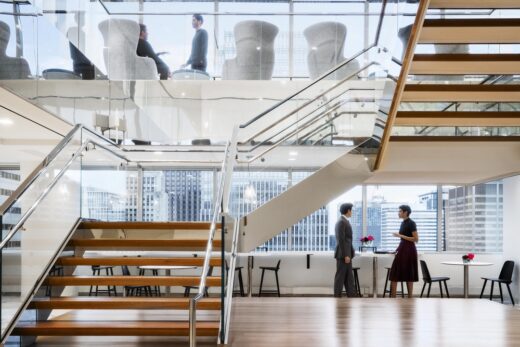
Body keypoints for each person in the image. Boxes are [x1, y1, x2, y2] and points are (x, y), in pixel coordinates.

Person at [389, 205, 419, 298]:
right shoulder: (403, 223)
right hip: (402, 249)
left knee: (409, 274)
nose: (398, 213)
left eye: (400, 211)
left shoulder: (411, 223)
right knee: (394, 274)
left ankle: (410, 297)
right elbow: (402, 240)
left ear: (405, 212)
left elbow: (416, 239)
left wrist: (400, 235)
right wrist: (396, 250)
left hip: (409, 250)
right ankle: (393, 298)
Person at [333, 203, 357, 298]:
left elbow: (348, 240)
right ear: (348, 211)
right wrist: (346, 255)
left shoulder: (345, 221)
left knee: (349, 277)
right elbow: (341, 240)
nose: (352, 212)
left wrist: (350, 253)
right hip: (343, 255)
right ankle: (337, 296)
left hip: (347, 254)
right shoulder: (341, 222)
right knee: (340, 277)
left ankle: (351, 296)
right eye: (351, 210)